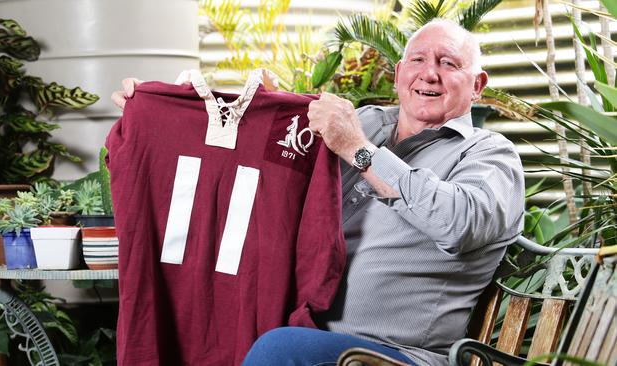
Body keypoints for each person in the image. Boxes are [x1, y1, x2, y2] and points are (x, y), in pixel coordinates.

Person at [112, 18, 524, 366]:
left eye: (448, 63)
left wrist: (357, 150)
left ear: (477, 85)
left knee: (279, 349)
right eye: (418, 60)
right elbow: (249, 161)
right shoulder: (366, 121)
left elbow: (459, 223)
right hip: (296, 324)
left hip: (393, 355)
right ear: (399, 74)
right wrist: (152, 117)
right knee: (205, 325)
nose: (429, 73)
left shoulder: (490, 156)